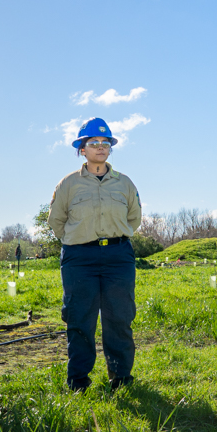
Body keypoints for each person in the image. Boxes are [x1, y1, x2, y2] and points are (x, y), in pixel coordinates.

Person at [48, 118, 142, 392]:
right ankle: (79, 381)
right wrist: (78, 242)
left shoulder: (124, 183)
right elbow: (57, 221)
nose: (100, 148)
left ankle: (121, 378)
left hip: (118, 256)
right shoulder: (68, 184)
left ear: (110, 149)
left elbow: (134, 218)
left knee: (120, 318)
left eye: (105, 143)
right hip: (80, 259)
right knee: (79, 319)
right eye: (93, 143)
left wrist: (114, 237)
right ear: (82, 149)